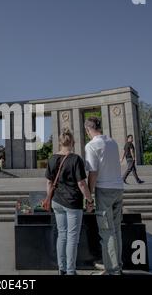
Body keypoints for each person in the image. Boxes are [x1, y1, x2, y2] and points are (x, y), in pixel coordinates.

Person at [44, 129, 94, 275]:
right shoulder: (76, 159)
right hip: (73, 203)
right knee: (72, 237)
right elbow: (82, 184)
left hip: (57, 202)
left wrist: (50, 197)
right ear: (72, 142)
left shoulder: (52, 159)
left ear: (60, 142)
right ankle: (71, 271)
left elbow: (48, 182)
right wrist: (90, 200)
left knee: (62, 235)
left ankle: (62, 269)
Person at [84, 117, 123, 275]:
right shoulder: (112, 142)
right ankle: (114, 264)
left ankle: (113, 270)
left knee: (107, 231)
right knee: (116, 229)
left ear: (88, 129)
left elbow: (93, 173)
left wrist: (89, 197)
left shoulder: (92, 145)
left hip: (104, 190)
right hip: (118, 189)